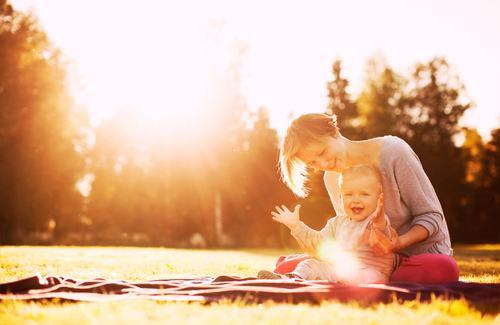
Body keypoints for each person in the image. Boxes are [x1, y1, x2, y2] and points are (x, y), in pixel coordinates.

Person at [274, 113, 459, 283]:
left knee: (444, 270)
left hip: (417, 255)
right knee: (285, 266)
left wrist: (397, 243)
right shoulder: (331, 178)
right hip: (368, 263)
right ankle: (363, 277)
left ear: (334, 132)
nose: (324, 164)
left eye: (322, 152)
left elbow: (432, 216)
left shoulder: (394, 152)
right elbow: (347, 232)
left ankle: (368, 277)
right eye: (313, 162)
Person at [258, 165, 395, 284]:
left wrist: (379, 218)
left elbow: (381, 232)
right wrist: (296, 226)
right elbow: (317, 243)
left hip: (369, 273)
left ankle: (346, 287)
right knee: (310, 264)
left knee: (370, 277)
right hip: (341, 271)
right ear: (340, 197)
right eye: (348, 194)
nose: (356, 200)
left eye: (364, 194)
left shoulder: (375, 220)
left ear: (379, 199)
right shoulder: (337, 223)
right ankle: (290, 279)